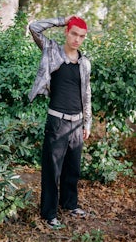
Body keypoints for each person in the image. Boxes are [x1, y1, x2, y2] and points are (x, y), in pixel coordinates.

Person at [28, 15, 92, 229]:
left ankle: (70, 204)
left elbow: (87, 94)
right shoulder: (52, 50)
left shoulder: (85, 63)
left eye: (81, 36)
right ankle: (49, 214)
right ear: (67, 32)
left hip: (77, 123)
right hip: (57, 121)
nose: (77, 39)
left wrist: (87, 123)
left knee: (73, 168)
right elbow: (34, 27)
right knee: (52, 170)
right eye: (74, 33)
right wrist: (63, 19)